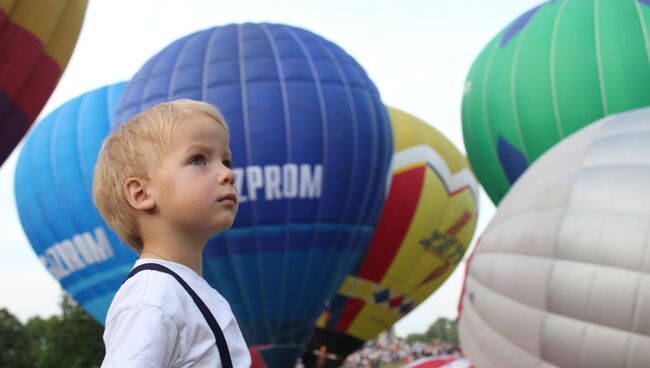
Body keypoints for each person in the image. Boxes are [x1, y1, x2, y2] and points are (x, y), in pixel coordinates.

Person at [93, 99, 251, 367]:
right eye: (198, 159)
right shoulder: (152, 299)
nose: (227, 174)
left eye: (226, 160)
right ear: (141, 194)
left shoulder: (184, 291)